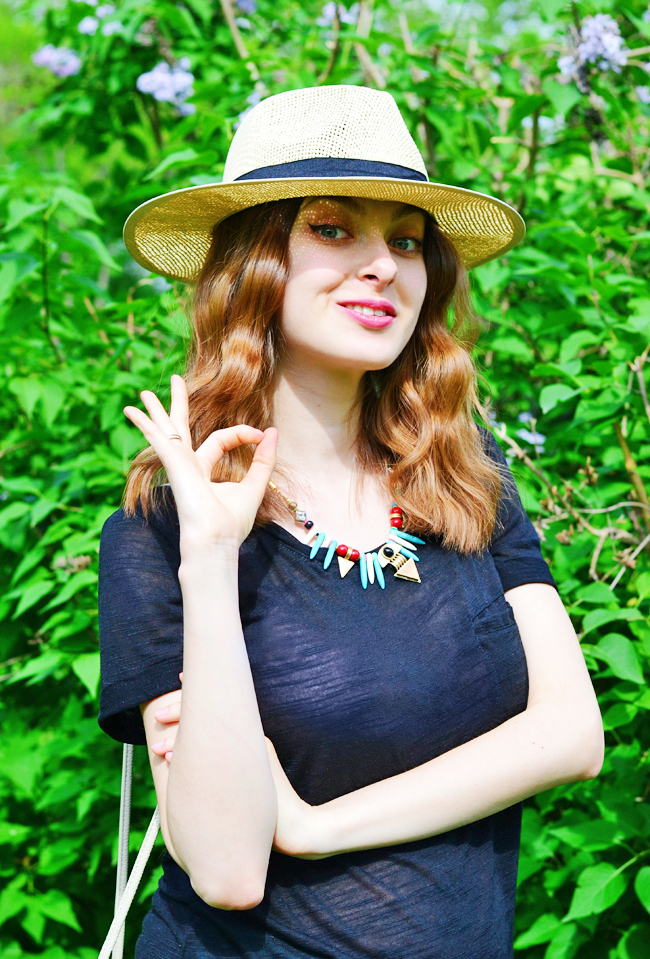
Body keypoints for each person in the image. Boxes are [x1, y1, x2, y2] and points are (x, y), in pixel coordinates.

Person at [98, 84, 603, 959]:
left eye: (405, 240)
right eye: (333, 229)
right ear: (254, 263)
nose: (383, 266)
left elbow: (572, 734)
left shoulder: (466, 477)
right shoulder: (163, 528)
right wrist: (211, 561)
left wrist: (317, 826)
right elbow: (226, 866)